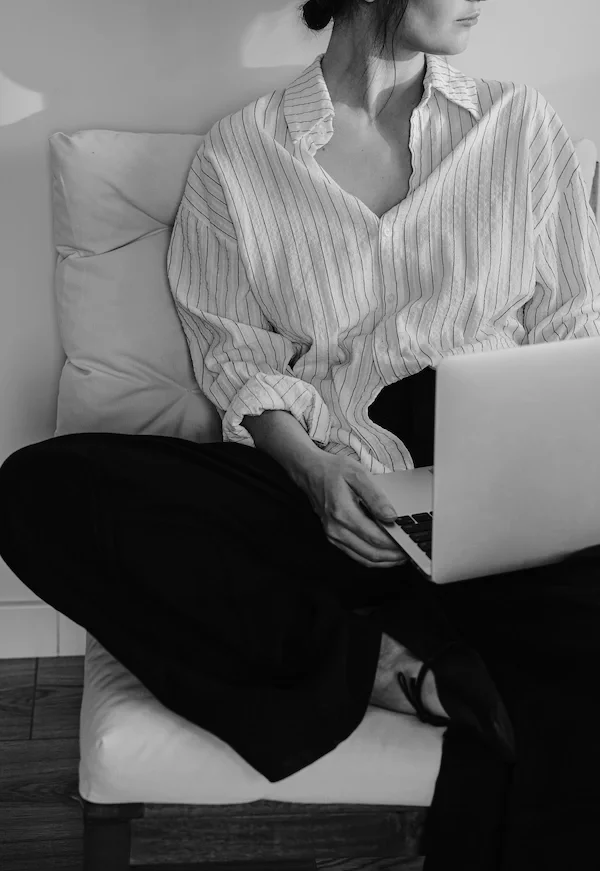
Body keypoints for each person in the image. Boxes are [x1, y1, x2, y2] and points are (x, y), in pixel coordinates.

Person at [1, 0, 599, 868]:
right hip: (316, 495)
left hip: (494, 508)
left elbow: (578, 330)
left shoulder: (520, 127)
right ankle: (383, 666)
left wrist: (537, 485)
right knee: (41, 490)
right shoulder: (240, 156)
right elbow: (232, 355)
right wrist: (315, 471)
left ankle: (428, 659)